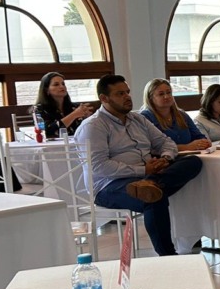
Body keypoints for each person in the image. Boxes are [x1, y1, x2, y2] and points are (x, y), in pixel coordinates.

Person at [75, 75, 203, 256]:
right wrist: (144, 169)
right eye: (120, 94)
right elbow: (100, 167)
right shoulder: (94, 126)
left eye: (127, 92)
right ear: (104, 98)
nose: (127, 96)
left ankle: (152, 183)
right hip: (108, 186)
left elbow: (166, 142)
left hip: (147, 176)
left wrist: (165, 159)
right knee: (152, 197)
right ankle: (168, 255)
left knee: (194, 162)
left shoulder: (137, 119)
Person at [140, 78, 212, 152]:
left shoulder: (181, 115)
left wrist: (204, 142)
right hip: (165, 157)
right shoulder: (145, 117)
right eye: (161, 94)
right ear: (150, 98)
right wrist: (187, 147)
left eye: (169, 92)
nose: (166, 96)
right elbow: (152, 147)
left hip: (190, 155)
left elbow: (198, 136)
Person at [33, 71, 96, 139]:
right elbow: (48, 131)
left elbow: (87, 130)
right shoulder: (39, 109)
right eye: (56, 84)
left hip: (78, 143)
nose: (62, 86)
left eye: (63, 84)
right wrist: (74, 115)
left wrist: (87, 118)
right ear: (46, 90)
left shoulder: (74, 107)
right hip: (54, 145)